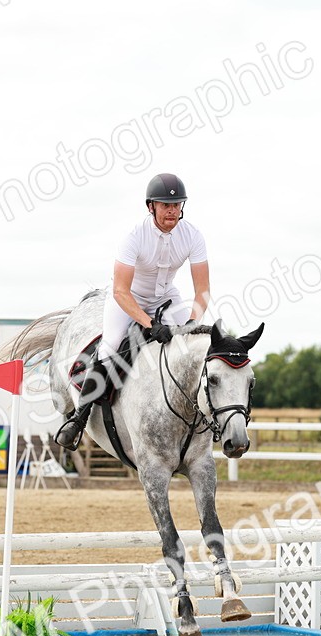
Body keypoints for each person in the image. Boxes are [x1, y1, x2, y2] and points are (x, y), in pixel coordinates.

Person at [55, 172, 210, 450]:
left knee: (194, 345)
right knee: (110, 347)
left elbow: (202, 292)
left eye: (176, 205)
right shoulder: (134, 237)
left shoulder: (193, 236)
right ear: (151, 206)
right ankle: (80, 419)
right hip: (127, 300)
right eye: (165, 205)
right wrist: (150, 325)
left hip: (166, 297)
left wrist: (191, 322)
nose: (172, 211)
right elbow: (120, 291)